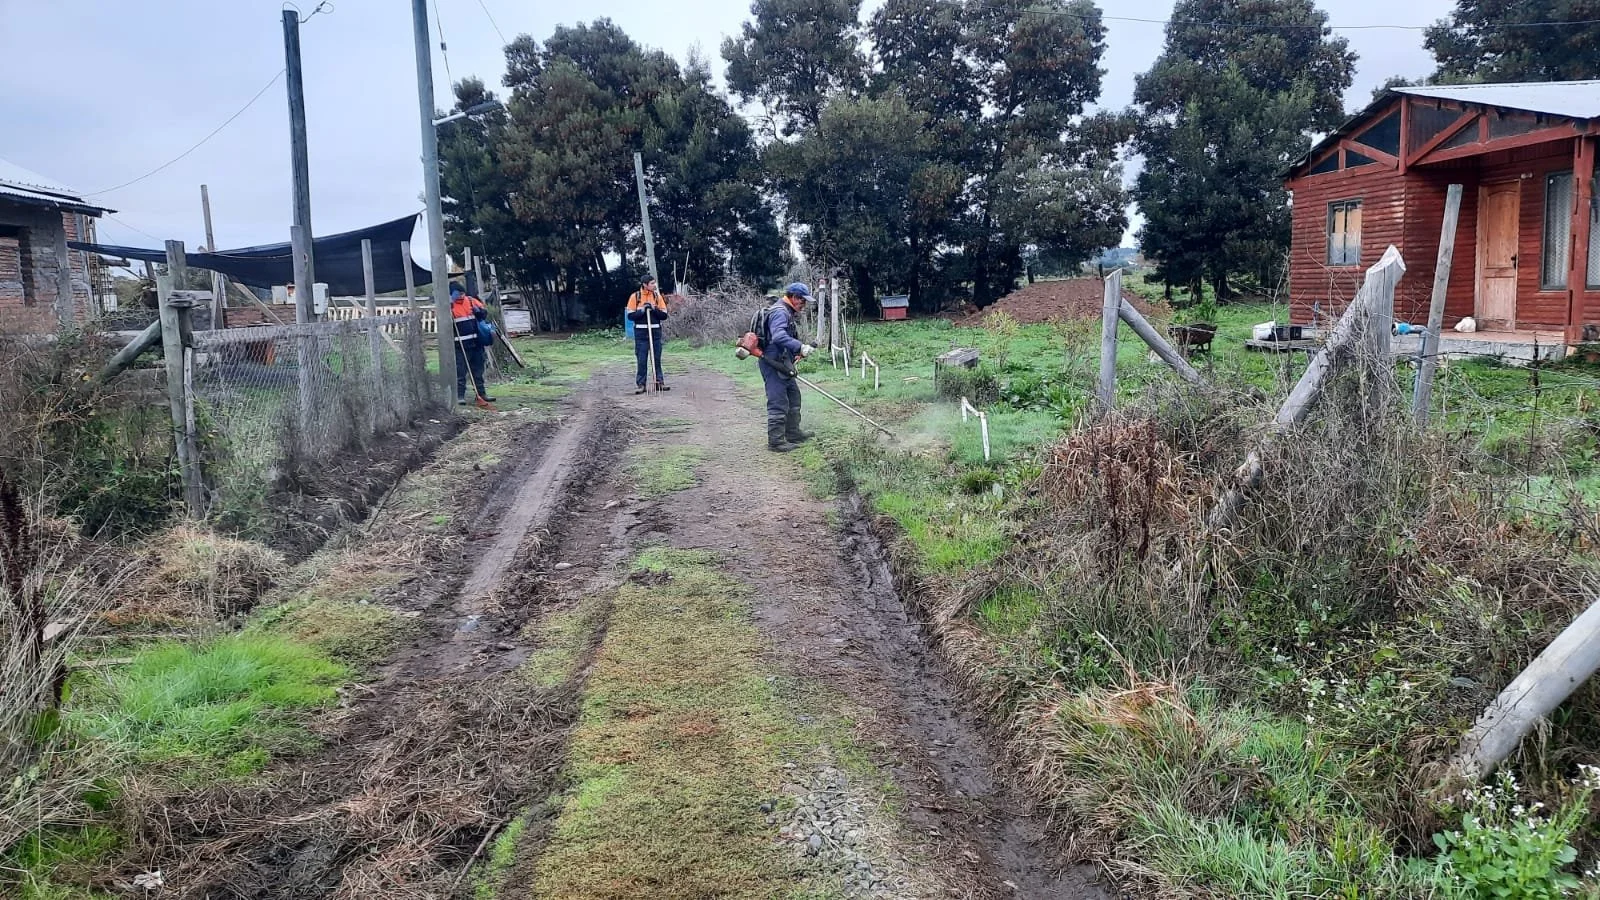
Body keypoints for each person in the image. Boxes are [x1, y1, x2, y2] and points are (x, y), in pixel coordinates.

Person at [755, 282, 817, 452]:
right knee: (778, 401)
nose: (803, 305)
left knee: (793, 396)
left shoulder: (785, 311)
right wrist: (800, 346)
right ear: (794, 297)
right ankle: (776, 442)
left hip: (783, 361)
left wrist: (796, 352)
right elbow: (779, 337)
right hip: (772, 362)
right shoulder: (780, 312)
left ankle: (793, 433)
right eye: (802, 301)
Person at [450, 282, 496, 408]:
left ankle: (481, 394)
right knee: (461, 372)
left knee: (478, 371)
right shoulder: (449, 306)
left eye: (462, 293)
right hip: (460, 345)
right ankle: (459, 396)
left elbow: (484, 315)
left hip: (476, 343)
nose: (460, 296)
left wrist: (479, 312)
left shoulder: (471, 301)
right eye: (458, 294)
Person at [626, 277, 670, 394]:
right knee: (641, 359)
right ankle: (641, 384)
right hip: (641, 333)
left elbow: (664, 315)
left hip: (655, 332)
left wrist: (654, 309)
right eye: (652, 283)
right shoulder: (635, 297)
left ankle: (659, 382)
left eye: (654, 282)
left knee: (656, 358)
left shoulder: (657, 296)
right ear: (645, 285)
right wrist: (642, 310)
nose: (654, 285)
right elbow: (630, 316)